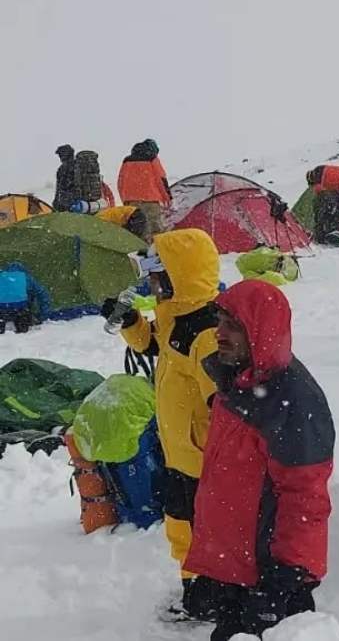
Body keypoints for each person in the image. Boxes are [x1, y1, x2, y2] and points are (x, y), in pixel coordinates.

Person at [184, 280, 334, 641]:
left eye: (233, 326)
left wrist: (287, 576)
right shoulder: (236, 383)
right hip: (236, 570)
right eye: (220, 322)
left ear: (259, 330)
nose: (220, 333)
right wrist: (214, 562)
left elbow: (305, 496)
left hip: (270, 577)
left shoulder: (294, 401)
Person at [101, 228, 220, 619]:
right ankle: (196, 588)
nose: (150, 282)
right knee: (180, 524)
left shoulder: (208, 333)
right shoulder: (176, 314)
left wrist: (221, 457)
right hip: (180, 453)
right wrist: (132, 321)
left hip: (204, 459)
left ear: (176, 276)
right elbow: (153, 344)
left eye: (155, 274)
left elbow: (224, 405)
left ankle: (212, 595)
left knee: (208, 530)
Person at [117, 139, 171, 235]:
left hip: (131, 202)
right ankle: (155, 249)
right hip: (151, 201)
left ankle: (138, 249)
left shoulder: (126, 161)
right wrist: (167, 198)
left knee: (137, 231)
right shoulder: (152, 159)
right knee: (155, 231)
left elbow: (120, 183)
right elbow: (161, 180)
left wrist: (125, 200)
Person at [0, 263, 50, 334]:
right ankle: (22, 326)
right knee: (23, 329)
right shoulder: (27, 278)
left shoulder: (2, 277)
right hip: (20, 310)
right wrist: (42, 316)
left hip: (1, 310)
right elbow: (43, 295)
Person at [53, 145, 78, 212]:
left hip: (68, 204)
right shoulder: (79, 165)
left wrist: (56, 203)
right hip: (82, 204)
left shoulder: (62, 169)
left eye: (60, 155)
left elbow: (60, 188)